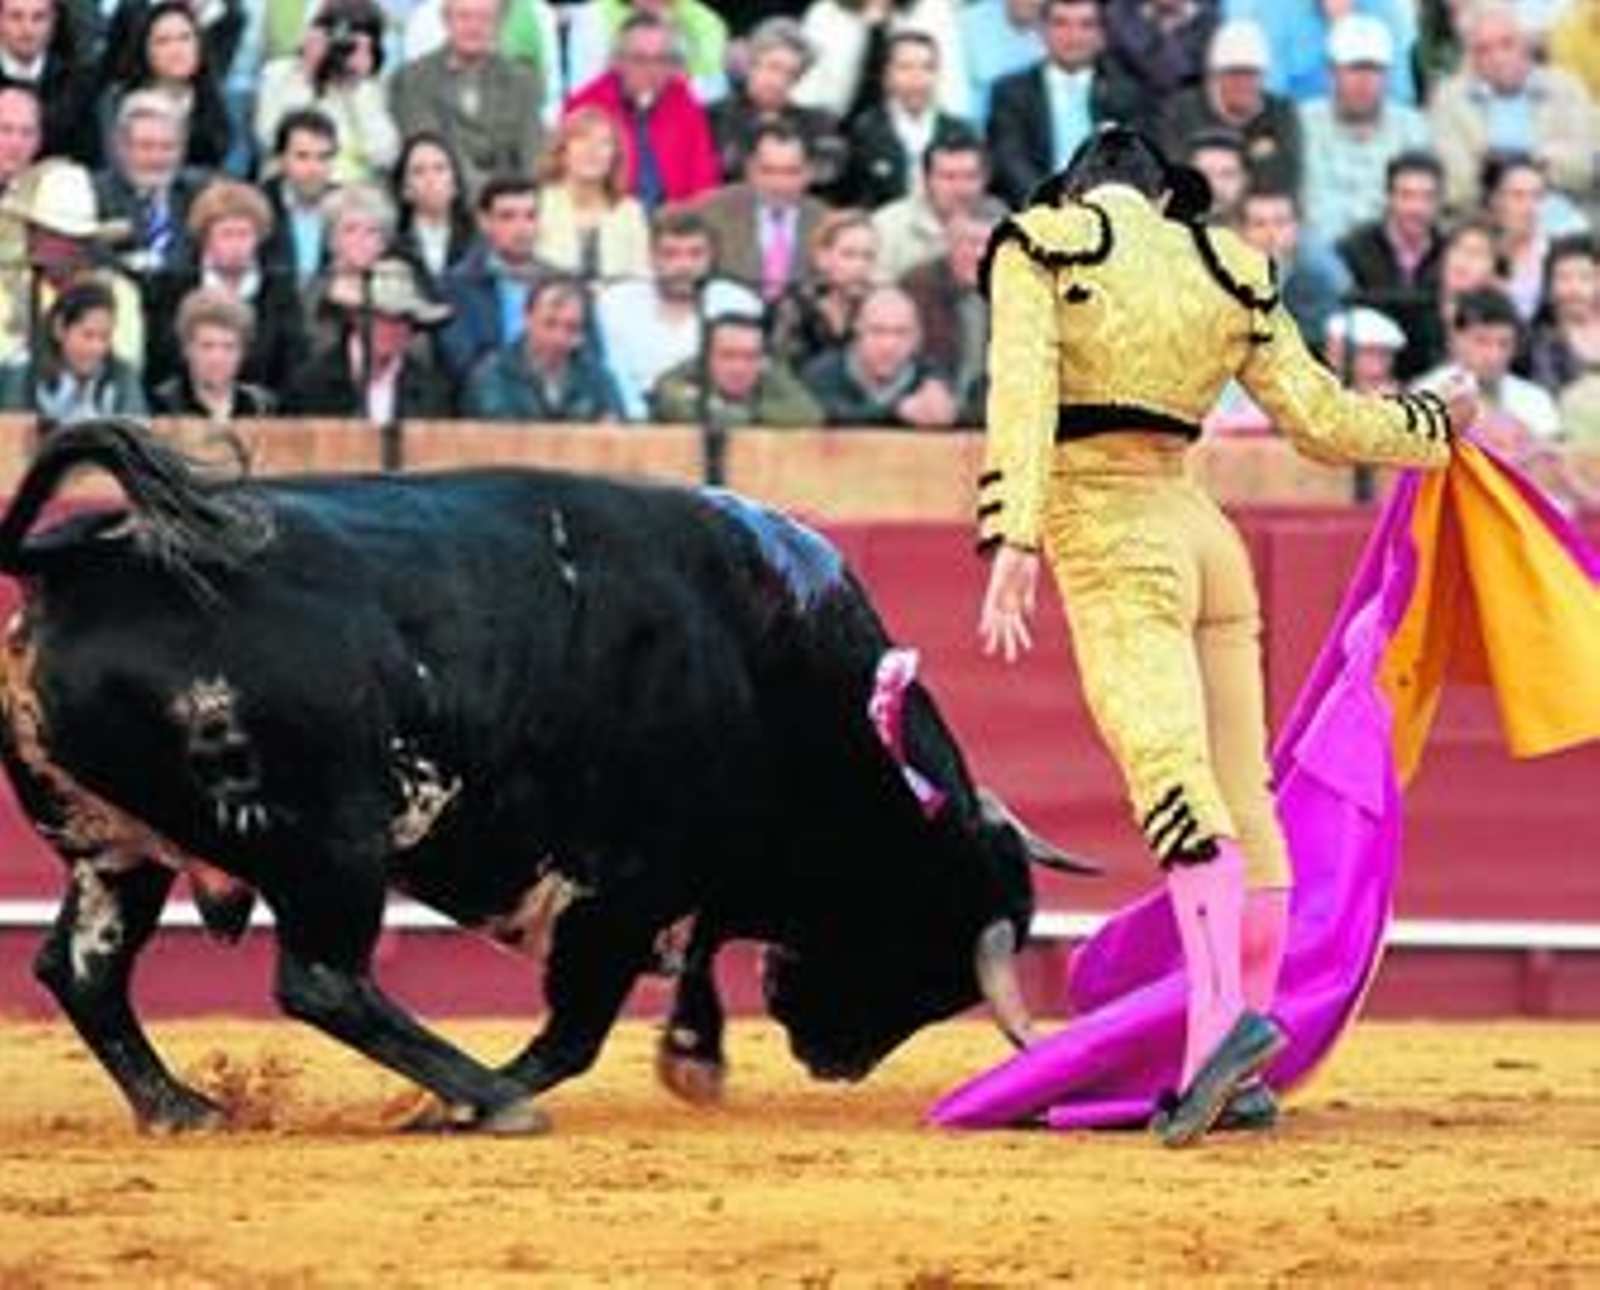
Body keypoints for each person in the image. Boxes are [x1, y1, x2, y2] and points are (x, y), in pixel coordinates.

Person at [975, 124, 1477, 1147]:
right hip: (1206, 538)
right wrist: (1430, 422)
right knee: (1244, 792)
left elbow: (1018, 393)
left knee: (1171, 775)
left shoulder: (1043, 243)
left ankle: (1215, 1036)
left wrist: (1011, 533)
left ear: (1078, 191)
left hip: (1111, 532)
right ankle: (1246, 1052)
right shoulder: (1227, 266)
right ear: (1164, 198)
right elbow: (1323, 421)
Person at [461, 275, 624, 422]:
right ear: (527, 318)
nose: (559, 338)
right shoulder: (493, 377)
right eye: (549, 323)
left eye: (571, 328)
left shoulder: (597, 377)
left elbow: (617, 428)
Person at [0, 277, 148, 424]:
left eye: (105, 337)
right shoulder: (21, 374)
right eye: (88, 335)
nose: (97, 348)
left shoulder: (120, 375)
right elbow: (11, 431)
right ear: (59, 329)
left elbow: (137, 430)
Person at [649, 309, 822, 427]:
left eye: (750, 357)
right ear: (706, 356)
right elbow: (674, 403)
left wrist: (746, 413)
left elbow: (810, 413)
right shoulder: (683, 376)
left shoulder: (769, 372)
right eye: (728, 355)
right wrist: (755, 416)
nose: (739, 368)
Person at [151, 285, 275, 419]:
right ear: (187, 349)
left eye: (228, 347)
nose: (217, 358)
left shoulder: (261, 407)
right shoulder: (158, 405)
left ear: (243, 352)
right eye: (207, 346)